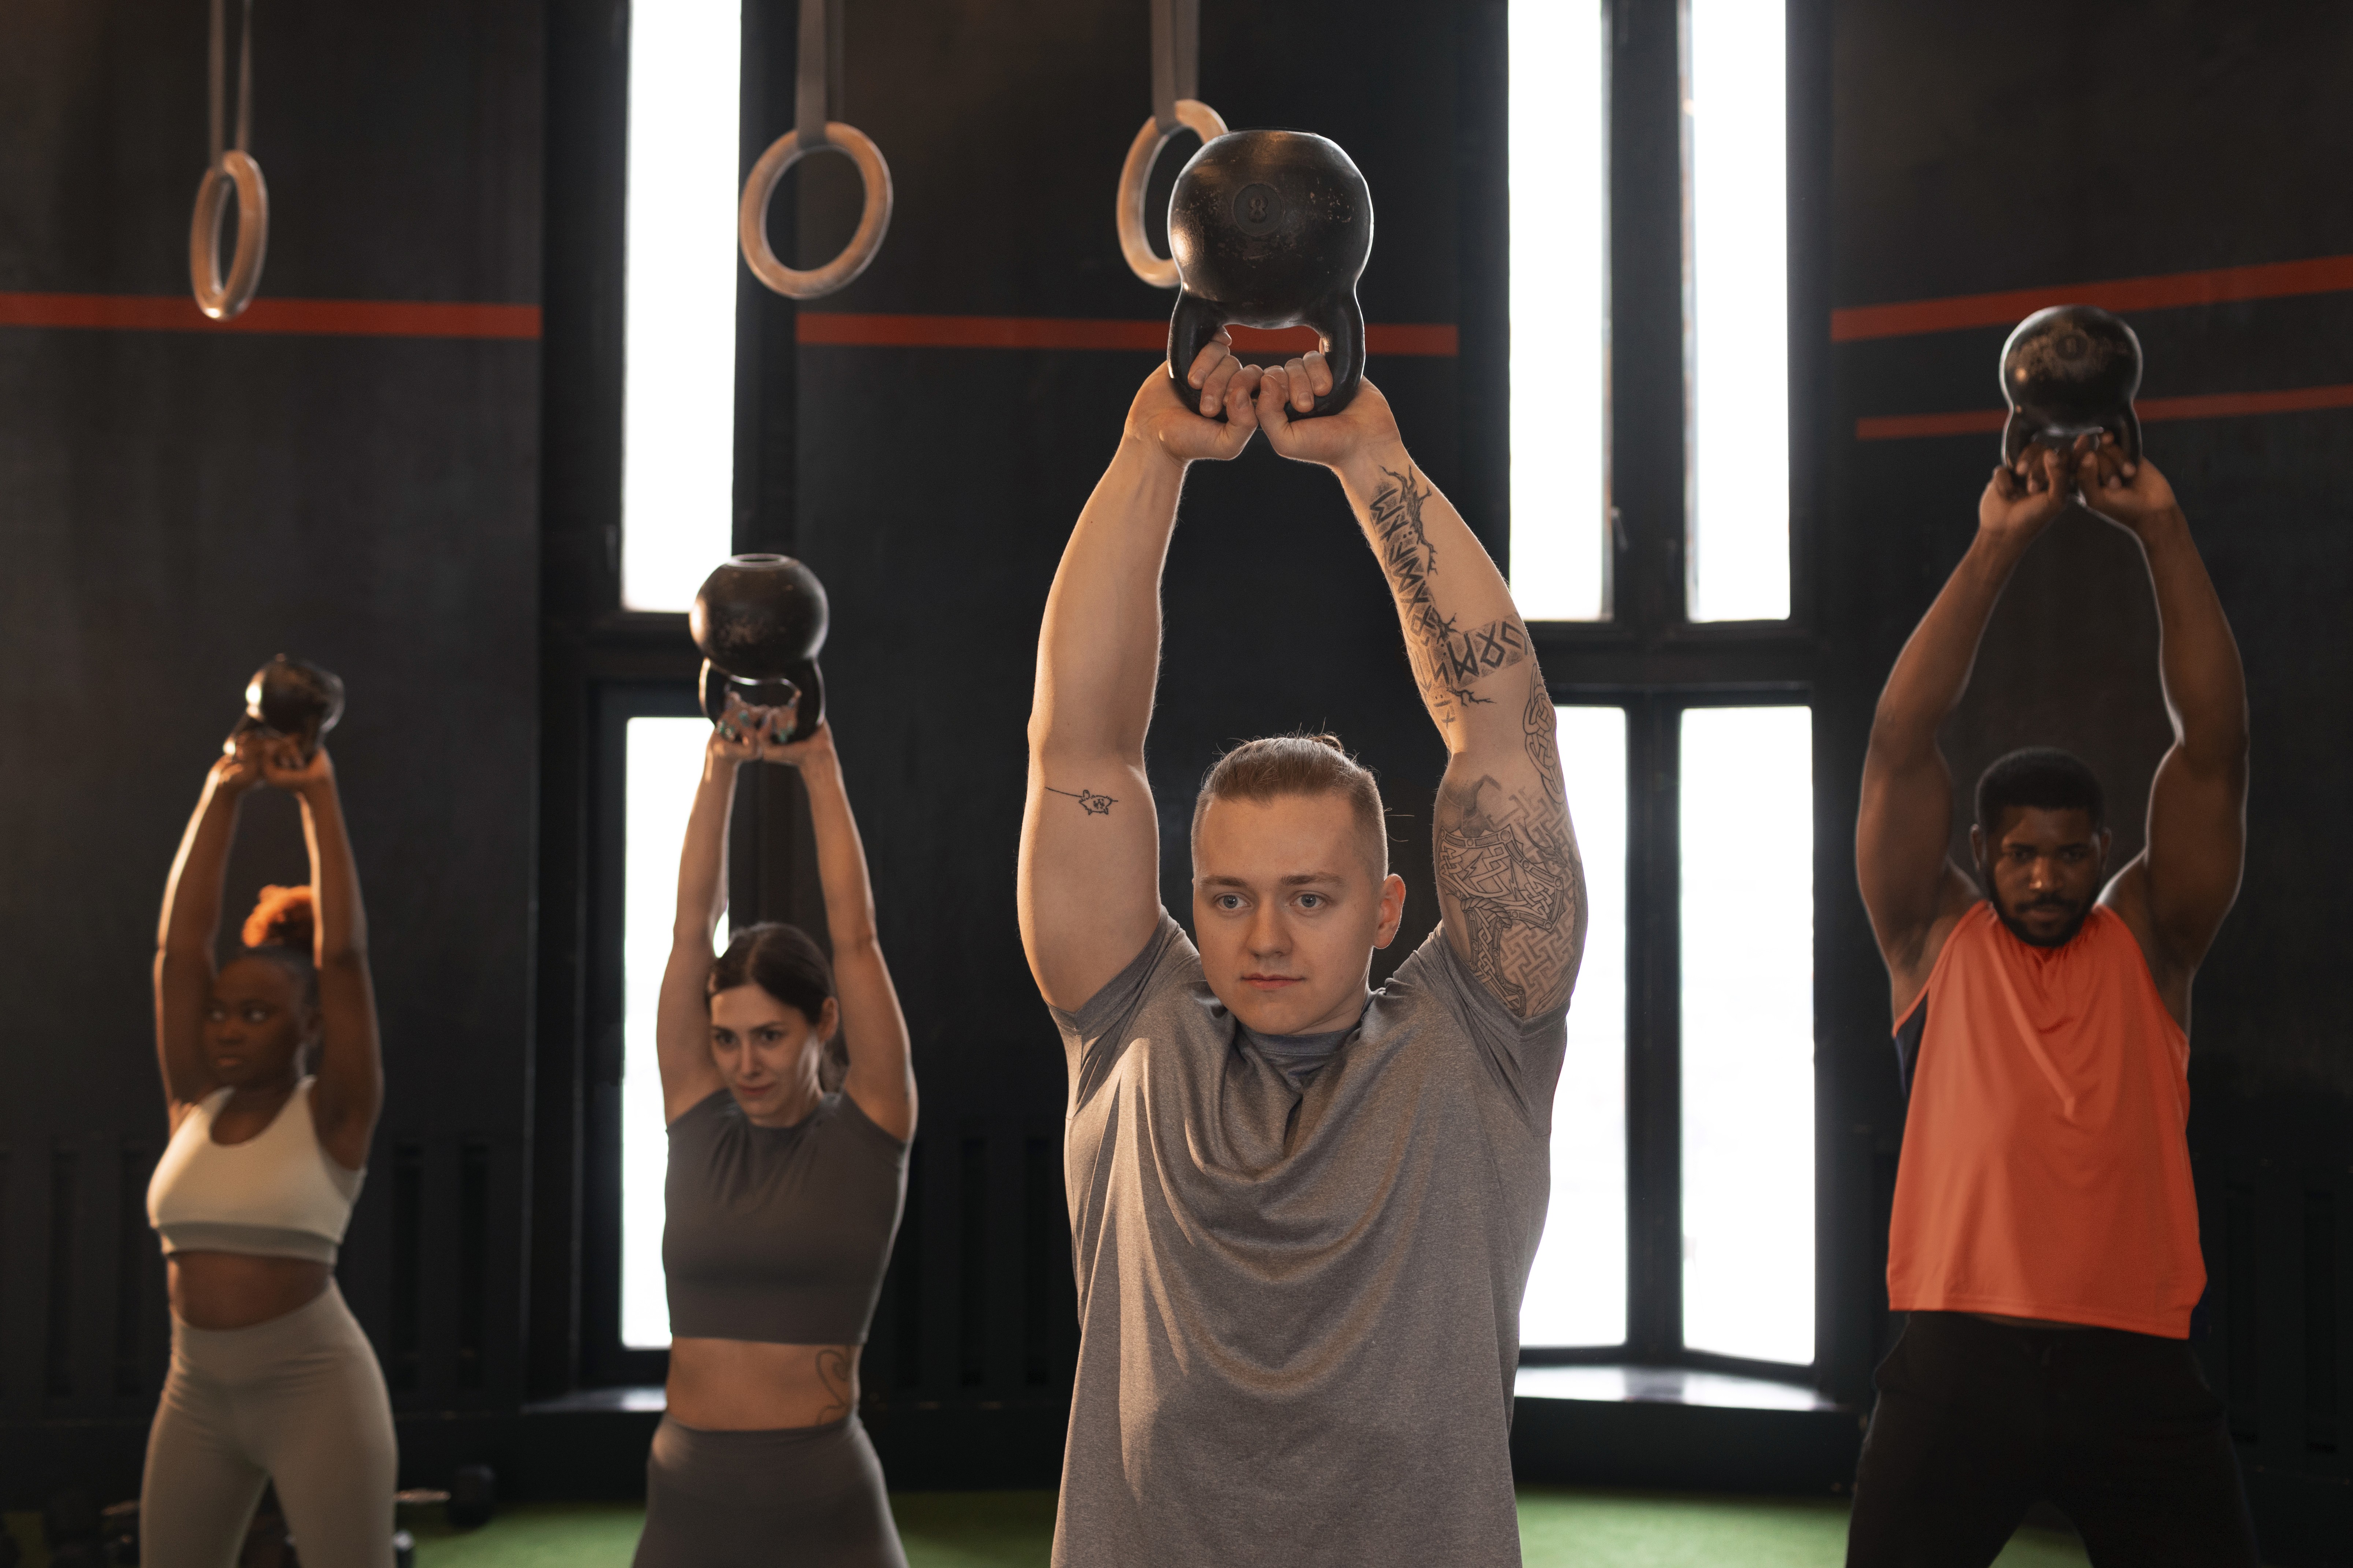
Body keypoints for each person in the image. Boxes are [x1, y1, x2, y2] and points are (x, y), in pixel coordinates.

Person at [1019, 343, 1587, 1566]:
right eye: (1226, 896)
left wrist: (1371, 461)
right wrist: (1150, 453)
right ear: (1189, 898)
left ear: (1388, 909)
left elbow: (1503, 733)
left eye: (1310, 897)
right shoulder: (1134, 1034)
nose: (1263, 934)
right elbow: (1082, 749)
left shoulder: (1469, 1046)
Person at [1848, 434, 2258, 1565]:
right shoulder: (1931, 937)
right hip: (1956, 1361)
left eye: (2067, 856)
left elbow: (2214, 749)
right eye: (2020, 855)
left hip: (2135, 1365)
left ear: (2103, 853)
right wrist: (1996, 545)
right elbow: (1897, 744)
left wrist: (2160, 530)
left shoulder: (2151, 940)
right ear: (1980, 849)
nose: (2042, 877)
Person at [632, 697, 917, 1568]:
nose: (744, 1064)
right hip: (687, 1491)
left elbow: (856, 937)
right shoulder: (697, 1120)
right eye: (725, 1039)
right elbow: (689, 929)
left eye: (770, 1037)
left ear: (822, 1024)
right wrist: (719, 767)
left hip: (821, 1497)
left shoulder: (872, 1126)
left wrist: (819, 770)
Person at [144, 729, 394, 1567]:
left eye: (257, 1015)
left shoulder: (335, 1115)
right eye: (220, 1011)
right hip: (196, 1392)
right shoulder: (194, 1101)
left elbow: (345, 956)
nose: (226, 1030)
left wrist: (315, 795)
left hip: (314, 1391)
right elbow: (182, 951)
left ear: (310, 1026)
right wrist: (222, 794)